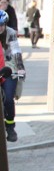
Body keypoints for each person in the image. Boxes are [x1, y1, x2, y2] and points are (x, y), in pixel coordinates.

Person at [0, 10, 25, 142]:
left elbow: (16, 50)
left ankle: (10, 126)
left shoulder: (10, 33)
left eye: (1, 25)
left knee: (8, 99)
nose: (0, 28)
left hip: (8, 67)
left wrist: (20, 68)